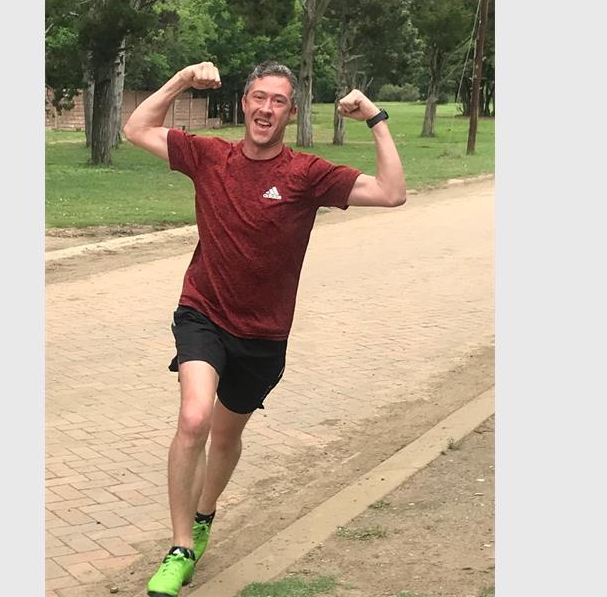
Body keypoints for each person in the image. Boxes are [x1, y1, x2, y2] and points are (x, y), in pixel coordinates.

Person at [123, 60, 406, 597]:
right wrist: (183, 78)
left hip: (264, 335)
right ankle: (181, 546)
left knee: (227, 436)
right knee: (193, 417)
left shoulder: (307, 175)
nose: (265, 108)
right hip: (203, 311)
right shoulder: (210, 156)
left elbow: (393, 192)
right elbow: (137, 128)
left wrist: (375, 117)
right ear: (245, 103)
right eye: (258, 97)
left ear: (290, 112)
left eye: (278, 100)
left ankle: (204, 516)